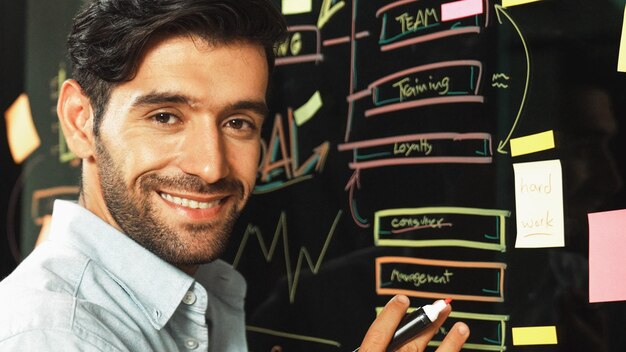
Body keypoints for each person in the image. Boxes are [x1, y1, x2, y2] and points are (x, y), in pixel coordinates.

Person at [0, 0, 469, 351]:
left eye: (238, 123)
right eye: (165, 117)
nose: (211, 166)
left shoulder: (204, 291)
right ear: (81, 121)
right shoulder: (58, 334)